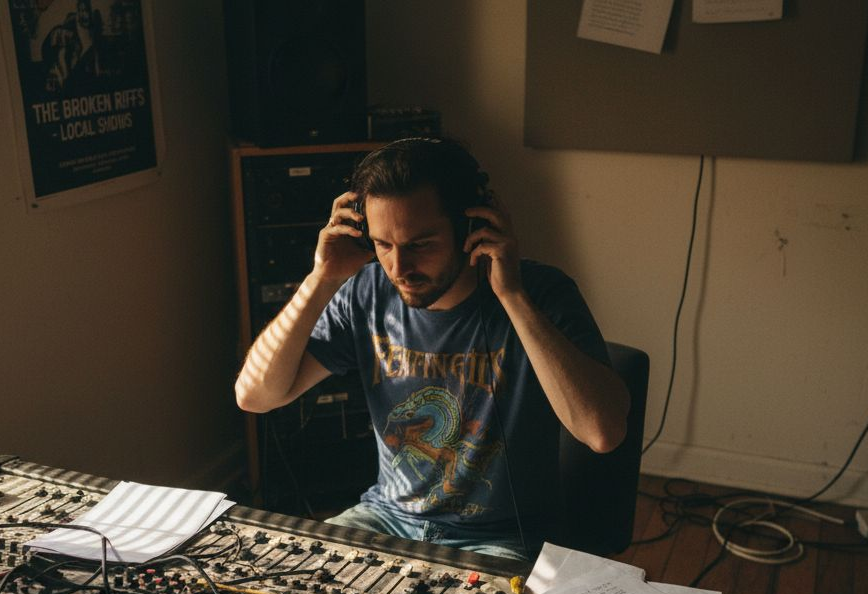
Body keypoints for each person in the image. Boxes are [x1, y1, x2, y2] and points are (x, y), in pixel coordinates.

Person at [234, 138, 629, 560]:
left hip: (501, 539)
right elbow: (254, 396)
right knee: (282, 586)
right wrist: (321, 278)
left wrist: (512, 296)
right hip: (384, 518)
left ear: (473, 227)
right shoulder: (365, 292)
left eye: (420, 245)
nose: (399, 268)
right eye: (383, 245)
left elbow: (602, 433)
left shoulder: (543, 294)